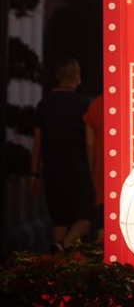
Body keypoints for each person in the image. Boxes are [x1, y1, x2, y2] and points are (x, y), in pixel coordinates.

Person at [30, 58, 95, 252]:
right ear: (77, 77)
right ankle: (62, 246)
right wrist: (93, 170)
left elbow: (37, 142)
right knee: (86, 218)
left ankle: (57, 269)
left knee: (60, 221)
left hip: (51, 171)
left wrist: (33, 173)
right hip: (78, 170)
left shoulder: (44, 104)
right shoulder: (84, 104)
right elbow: (89, 142)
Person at [84, 94, 105, 242]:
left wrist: (90, 168)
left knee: (104, 215)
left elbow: (89, 143)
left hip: (102, 167)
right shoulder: (131, 100)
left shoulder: (96, 104)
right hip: (130, 167)